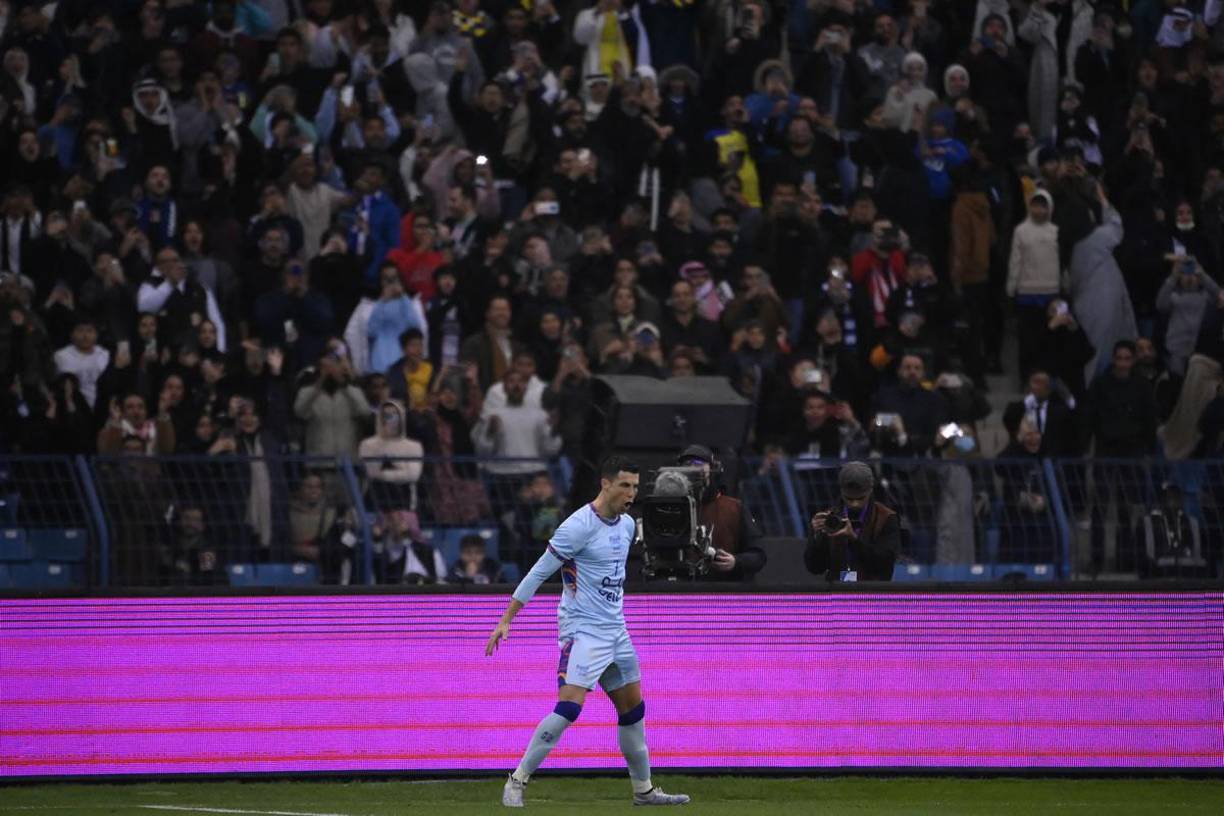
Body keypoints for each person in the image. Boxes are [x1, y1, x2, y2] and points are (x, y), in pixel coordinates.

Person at [487, 456, 690, 808]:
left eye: (636, 487)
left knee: (633, 712)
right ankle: (517, 780)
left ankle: (643, 791)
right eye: (625, 485)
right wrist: (507, 618)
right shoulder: (577, 526)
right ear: (605, 484)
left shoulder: (627, 526)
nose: (631, 493)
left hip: (617, 632)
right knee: (569, 708)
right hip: (584, 633)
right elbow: (538, 572)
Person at [675, 445, 766, 582]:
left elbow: (758, 555)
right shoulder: (672, 508)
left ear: (712, 469)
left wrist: (736, 562)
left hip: (724, 591)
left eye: (699, 464)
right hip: (680, 590)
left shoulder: (734, 508)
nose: (693, 469)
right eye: (687, 465)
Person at [804, 460, 900, 582]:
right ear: (841, 491)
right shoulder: (830, 519)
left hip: (872, 595)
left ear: (871, 490)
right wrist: (816, 537)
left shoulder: (886, 517)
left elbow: (884, 564)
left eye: (860, 498)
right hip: (838, 593)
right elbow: (815, 568)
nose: (855, 504)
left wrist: (853, 540)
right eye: (849, 498)